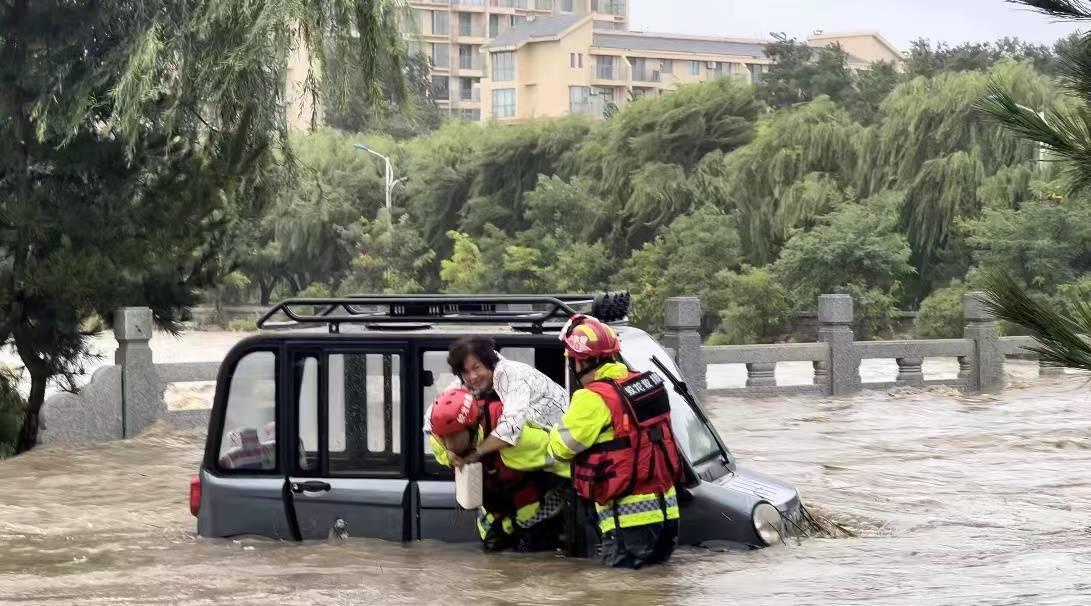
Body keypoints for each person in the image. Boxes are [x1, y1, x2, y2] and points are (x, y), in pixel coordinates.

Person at [548, 314, 682, 569]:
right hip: (669, 515)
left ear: (584, 360)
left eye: (573, 361)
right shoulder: (646, 383)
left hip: (628, 521)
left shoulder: (592, 398)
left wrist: (554, 428)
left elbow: (560, 448)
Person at [428, 386, 569, 552]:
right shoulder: (439, 442)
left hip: (532, 502)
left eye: (454, 436)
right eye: (444, 438)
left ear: (472, 427)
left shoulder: (513, 435)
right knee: (491, 546)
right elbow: (440, 447)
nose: (449, 444)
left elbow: (562, 456)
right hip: (494, 509)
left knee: (533, 546)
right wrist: (449, 457)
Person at [424, 336, 570, 467]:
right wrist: (447, 454)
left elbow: (511, 427)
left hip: (566, 441)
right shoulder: (467, 381)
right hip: (549, 444)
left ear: (489, 363)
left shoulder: (511, 374)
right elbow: (434, 414)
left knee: (513, 449)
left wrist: (476, 453)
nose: (472, 376)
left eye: (476, 367)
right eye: (465, 371)